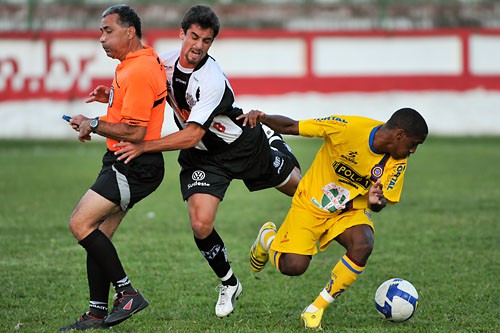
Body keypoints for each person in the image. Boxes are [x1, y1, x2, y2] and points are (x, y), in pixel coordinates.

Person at [113, 5, 302, 318]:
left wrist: (144, 146)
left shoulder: (210, 80)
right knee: (201, 225)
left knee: (304, 192)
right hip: (203, 156)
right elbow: (143, 92)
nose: (198, 45)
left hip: (242, 146)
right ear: (182, 33)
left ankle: (273, 138)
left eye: (207, 40)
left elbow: (188, 135)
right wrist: (112, 94)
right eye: (194, 37)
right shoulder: (163, 63)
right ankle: (229, 283)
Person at [242, 107, 428, 330]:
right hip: (311, 203)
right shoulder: (348, 128)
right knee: (292, 266)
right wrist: (263, 118)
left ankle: (315, 309)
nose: (413, 150)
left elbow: (380, 201)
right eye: (413, 143)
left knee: (363, 243)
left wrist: (376, 202)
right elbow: (293, 126)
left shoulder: (398, 160)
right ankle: (268, 239)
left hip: (347, 210)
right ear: (399, 134)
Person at [59, 4, 167, 331]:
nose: (101, 38)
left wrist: (93, 123)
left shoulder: (137, 70)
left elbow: (135, 131)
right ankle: (95, 313)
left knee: (80, 224)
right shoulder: (135, 62)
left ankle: (127, 293)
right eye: (101, 32)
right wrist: (108, 106)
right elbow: (133, 110)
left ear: (130, 32)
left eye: (108, 31)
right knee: (99, 235)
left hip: (133, 163)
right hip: (126, 160)